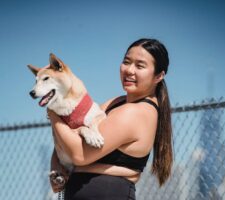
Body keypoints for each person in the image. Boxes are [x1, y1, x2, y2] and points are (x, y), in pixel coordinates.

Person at [48, 38, 173, 199]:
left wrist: (53, 113)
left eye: (140, 66)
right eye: (126, 62)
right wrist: (56, 169)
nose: (129, 70)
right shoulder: (116, 102)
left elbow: (79, 154)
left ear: (159, 76)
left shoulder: (134, 112)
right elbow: (66, 136)